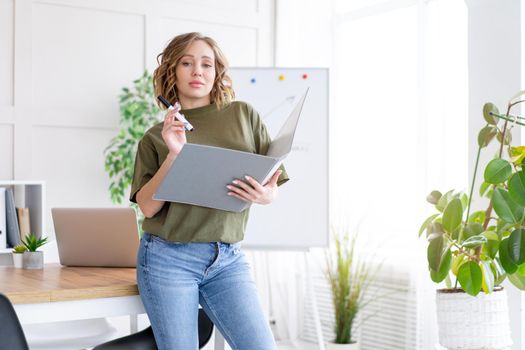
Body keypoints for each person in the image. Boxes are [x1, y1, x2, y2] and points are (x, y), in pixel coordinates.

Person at [130, 32, 289, 350]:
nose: (198, 71)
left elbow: (273, 186)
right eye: (187, 63)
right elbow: (147, 208)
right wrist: (175, 155)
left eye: (207, 64)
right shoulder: (155, 137)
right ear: (172, 71)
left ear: (217, 72)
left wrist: (264, 196)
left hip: (228, 258)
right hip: (168, 259)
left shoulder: (243, 115)